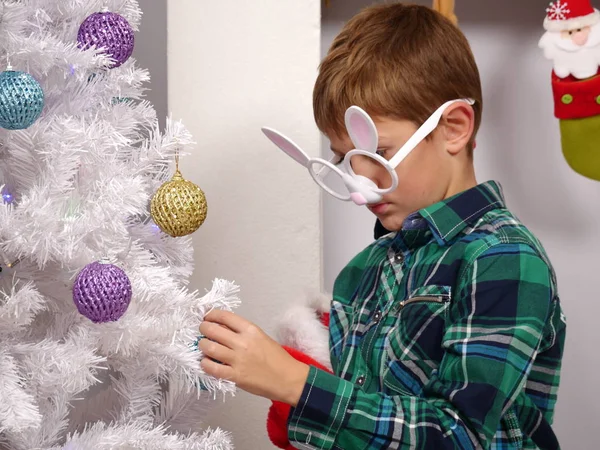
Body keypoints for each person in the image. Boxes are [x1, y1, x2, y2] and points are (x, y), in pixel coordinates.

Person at [198, 3, 566, 449]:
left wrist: (296, 382)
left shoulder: (503, 258)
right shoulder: (361, 272)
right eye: (344, 159)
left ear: (453, 128)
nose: (360, 186)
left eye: (378, 155)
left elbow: (461, 435)